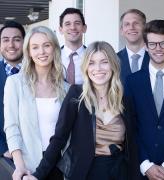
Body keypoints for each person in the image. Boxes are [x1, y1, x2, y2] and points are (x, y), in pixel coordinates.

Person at [23, 41, 140, 180]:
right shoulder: (76, 95)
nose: (98, 68)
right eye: (91, 63)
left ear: (113, 65)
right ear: (86, 67)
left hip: (119, 173)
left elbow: (132, 145)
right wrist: (38, 175)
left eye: (104, 62)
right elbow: (59, 138)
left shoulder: (125, 100)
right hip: (85, 173)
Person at [4, 26, 69, 180]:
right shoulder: (15, 83)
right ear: (29, 52)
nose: (42, 52)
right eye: (35, 47)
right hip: (28, 166)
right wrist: (20, 166)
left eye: (46, 45)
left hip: (60, 165)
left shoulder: (67, 89)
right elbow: (12, 127)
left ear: (54, 49)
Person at [125, 20, 164, 180]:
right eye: (153, 44)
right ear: (146, 46)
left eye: (163, 43)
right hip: (142, 170)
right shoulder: (132, 81)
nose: (158, 49)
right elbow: (130, 127)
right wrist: (145, 165)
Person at [0, 20, 25, 166]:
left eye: (17, 39)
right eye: (5, 40)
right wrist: (3, 148)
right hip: (5, 156)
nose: (11, 45)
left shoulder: (41, 71)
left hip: (40, 154)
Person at [117, 9, 149, 85]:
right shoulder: (113, 59)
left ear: (145, 28)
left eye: (136, 23)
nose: (131, 27)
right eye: (127, 24)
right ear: (122, 30)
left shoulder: (160, 58)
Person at [59, 7, 87, 85]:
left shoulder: (92, 56)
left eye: (77, 23)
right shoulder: (53, 56)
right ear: (61, 29)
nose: (73, 27)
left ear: (84, 28)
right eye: (67, 24)